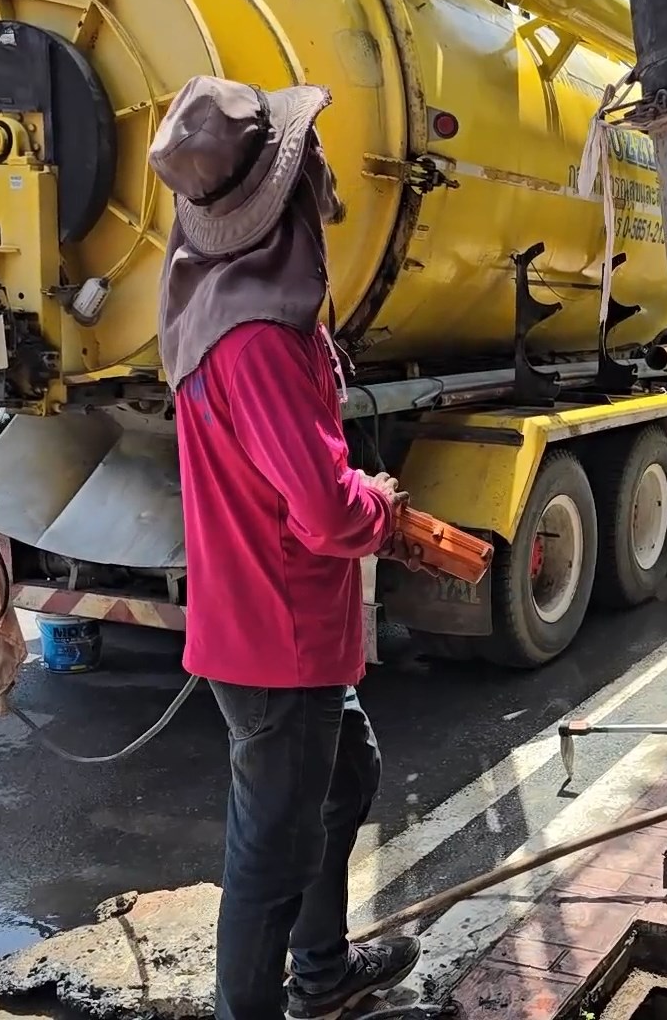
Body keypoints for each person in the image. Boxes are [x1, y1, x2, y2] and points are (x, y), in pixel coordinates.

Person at [150, 75, 425, 1020]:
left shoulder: (214, 293)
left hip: (272, 621)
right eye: (312, 171)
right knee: (271, 850)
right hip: (279, 634)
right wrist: (379, 504)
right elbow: (323, 513)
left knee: (345, 778)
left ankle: (320, 970)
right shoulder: (258, 333)